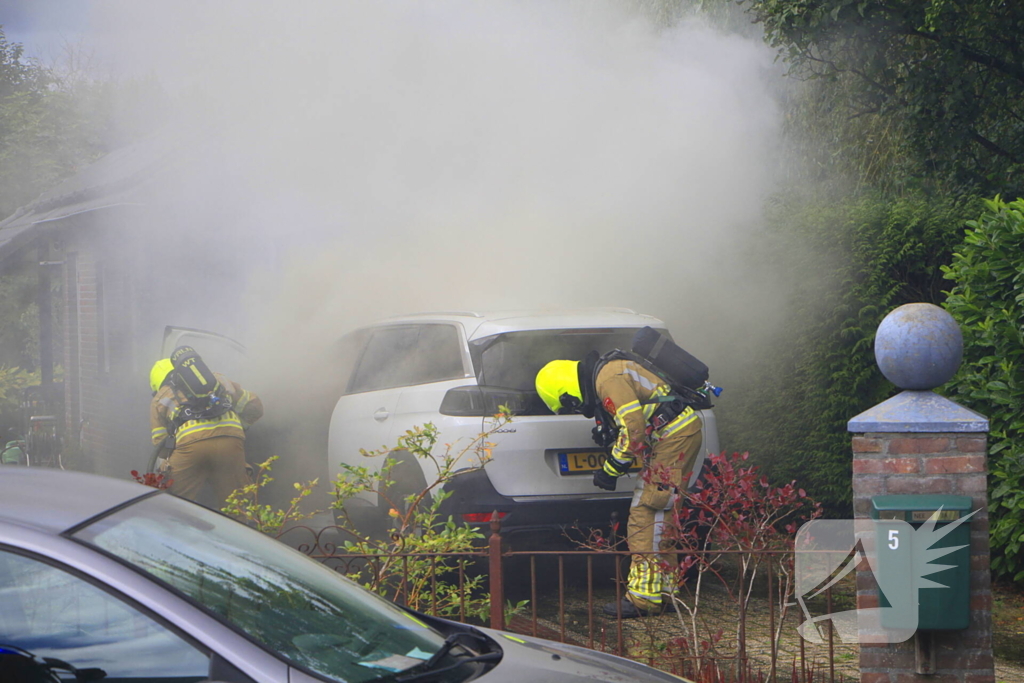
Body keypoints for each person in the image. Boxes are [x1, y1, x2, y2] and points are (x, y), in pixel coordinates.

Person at [535, 352, 703, 618]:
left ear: (567, 392)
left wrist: (610, 470)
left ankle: (643, 599)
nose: (577, 410)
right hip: (677, 434)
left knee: (646, 514)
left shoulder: (608, 378)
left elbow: (633, 429)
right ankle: (666, 593)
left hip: (673, 438)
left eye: (571, 406)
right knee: (663, 517)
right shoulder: (608, 372)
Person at [149, 346, 263, 507]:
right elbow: (255, 406)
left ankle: (179, 529)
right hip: (230, 441)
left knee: (176, 504)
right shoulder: (217, 380)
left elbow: (160, 446)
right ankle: (238, 529)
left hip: (190, 447)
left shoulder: (160, 398)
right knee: (236, 504)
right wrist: (238, 426)